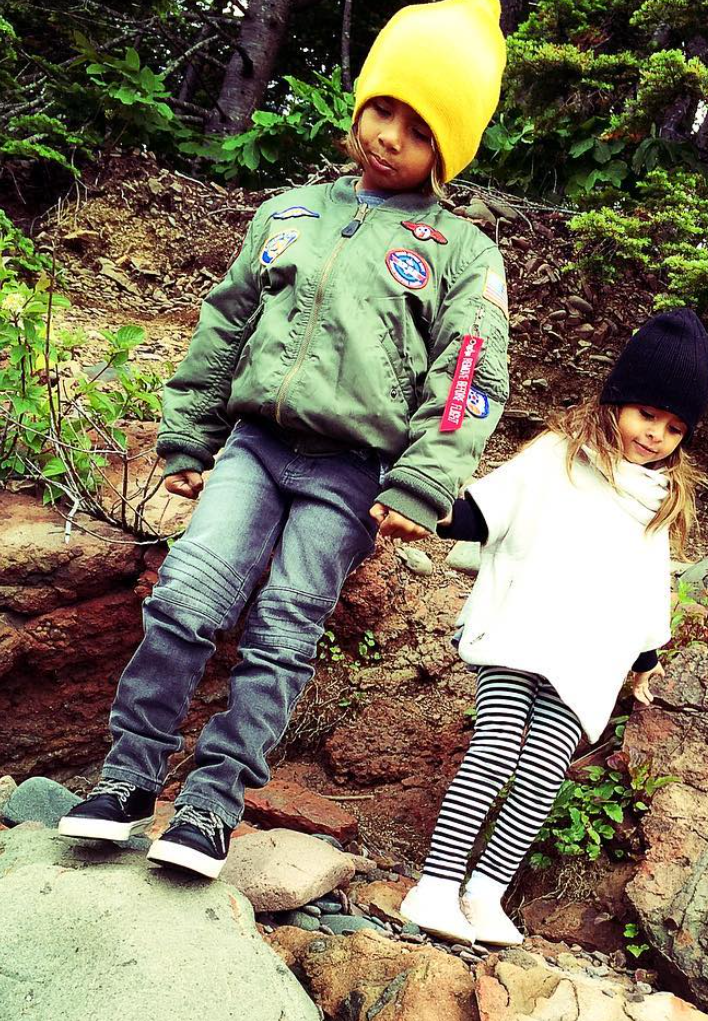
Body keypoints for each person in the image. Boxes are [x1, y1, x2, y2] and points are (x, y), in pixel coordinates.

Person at [59, 0, 510, 878]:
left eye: (420, 129)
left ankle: (210, 806)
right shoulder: (290, 212)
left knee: (282, 633)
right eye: (383, 108)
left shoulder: (462, 253)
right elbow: (225, 323)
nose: (389, 136)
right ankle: (126, 781)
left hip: (352, 473)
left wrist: (422, 482)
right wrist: (190, 436)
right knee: (186, 599)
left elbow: (468, 376)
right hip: (255, 449)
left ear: (447, 151)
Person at [400, 308, 708, 946]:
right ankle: (434, 885)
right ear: (618, 401)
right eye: (647, 414)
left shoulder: (657, 500)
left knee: (540, 776)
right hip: (526, 628)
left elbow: (646, 585)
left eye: (674, 427)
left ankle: (485, 893)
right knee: (495, 752)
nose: (656, 434)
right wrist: (423, 509)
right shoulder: (559, 457)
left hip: (588, 656)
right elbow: (493, 508)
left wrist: (645, 658)